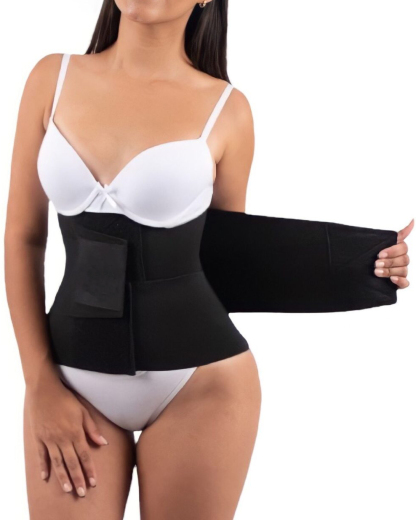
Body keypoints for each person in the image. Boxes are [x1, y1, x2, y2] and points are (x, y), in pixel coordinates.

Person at [4, 1, 412, 519]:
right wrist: (39, 383)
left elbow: (226, 260)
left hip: (200, 385)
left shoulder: (227, 110)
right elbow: (22, 239)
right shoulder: (52, 78)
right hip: (69, 379)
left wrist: (363, 265)